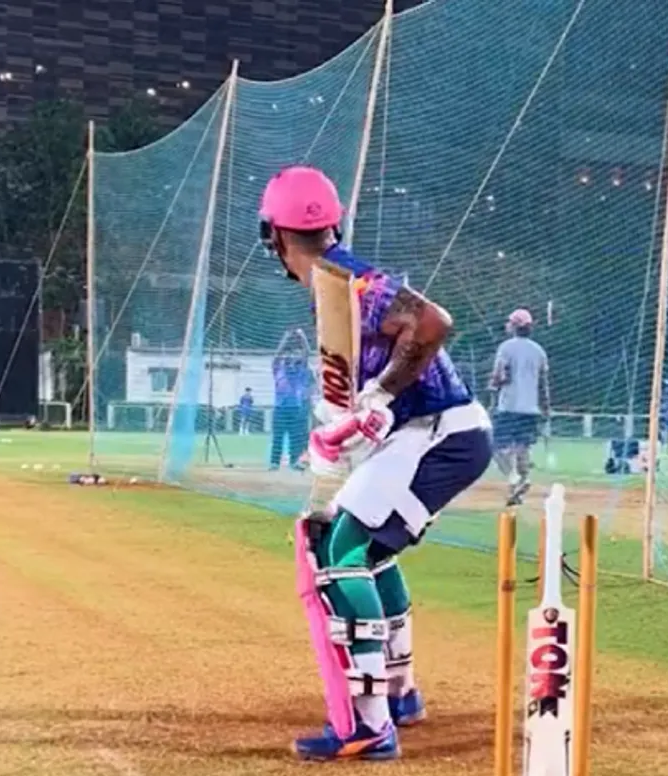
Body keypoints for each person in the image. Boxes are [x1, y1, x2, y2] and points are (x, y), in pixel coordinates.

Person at [260, 166, 491, 761]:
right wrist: (344, 427)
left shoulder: (348, 283)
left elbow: (434, 322)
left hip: (439, 433)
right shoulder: (333, 288)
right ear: (332, 223)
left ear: (274, 237)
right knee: (369, 550)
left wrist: (383, 393)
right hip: (426, 434)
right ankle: (400, 692)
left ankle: (369, 724)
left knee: (340, 556)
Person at [490, 308, 548, 504]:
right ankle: (521, 485)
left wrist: (493, 384)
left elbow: (501, 376)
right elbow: (542, 384)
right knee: (522, 447)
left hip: (509, 405)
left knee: (496, 446)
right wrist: (546, 407)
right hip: (530, 408)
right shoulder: (539, 351)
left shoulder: (506, 348)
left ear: (514, 326)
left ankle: (513, 478)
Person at [270, 329, 310, 469]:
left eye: (293, 355)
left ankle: (294, 462)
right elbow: (277, 355)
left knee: (296, 439)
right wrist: (285, 338)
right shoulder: (278, 369)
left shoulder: (300, 371)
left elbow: (306, 353)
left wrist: (302, 336)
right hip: (280, 409)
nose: (290, 358)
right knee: (278, 437)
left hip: (296, 409)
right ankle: (274, 462)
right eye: (288, 356)